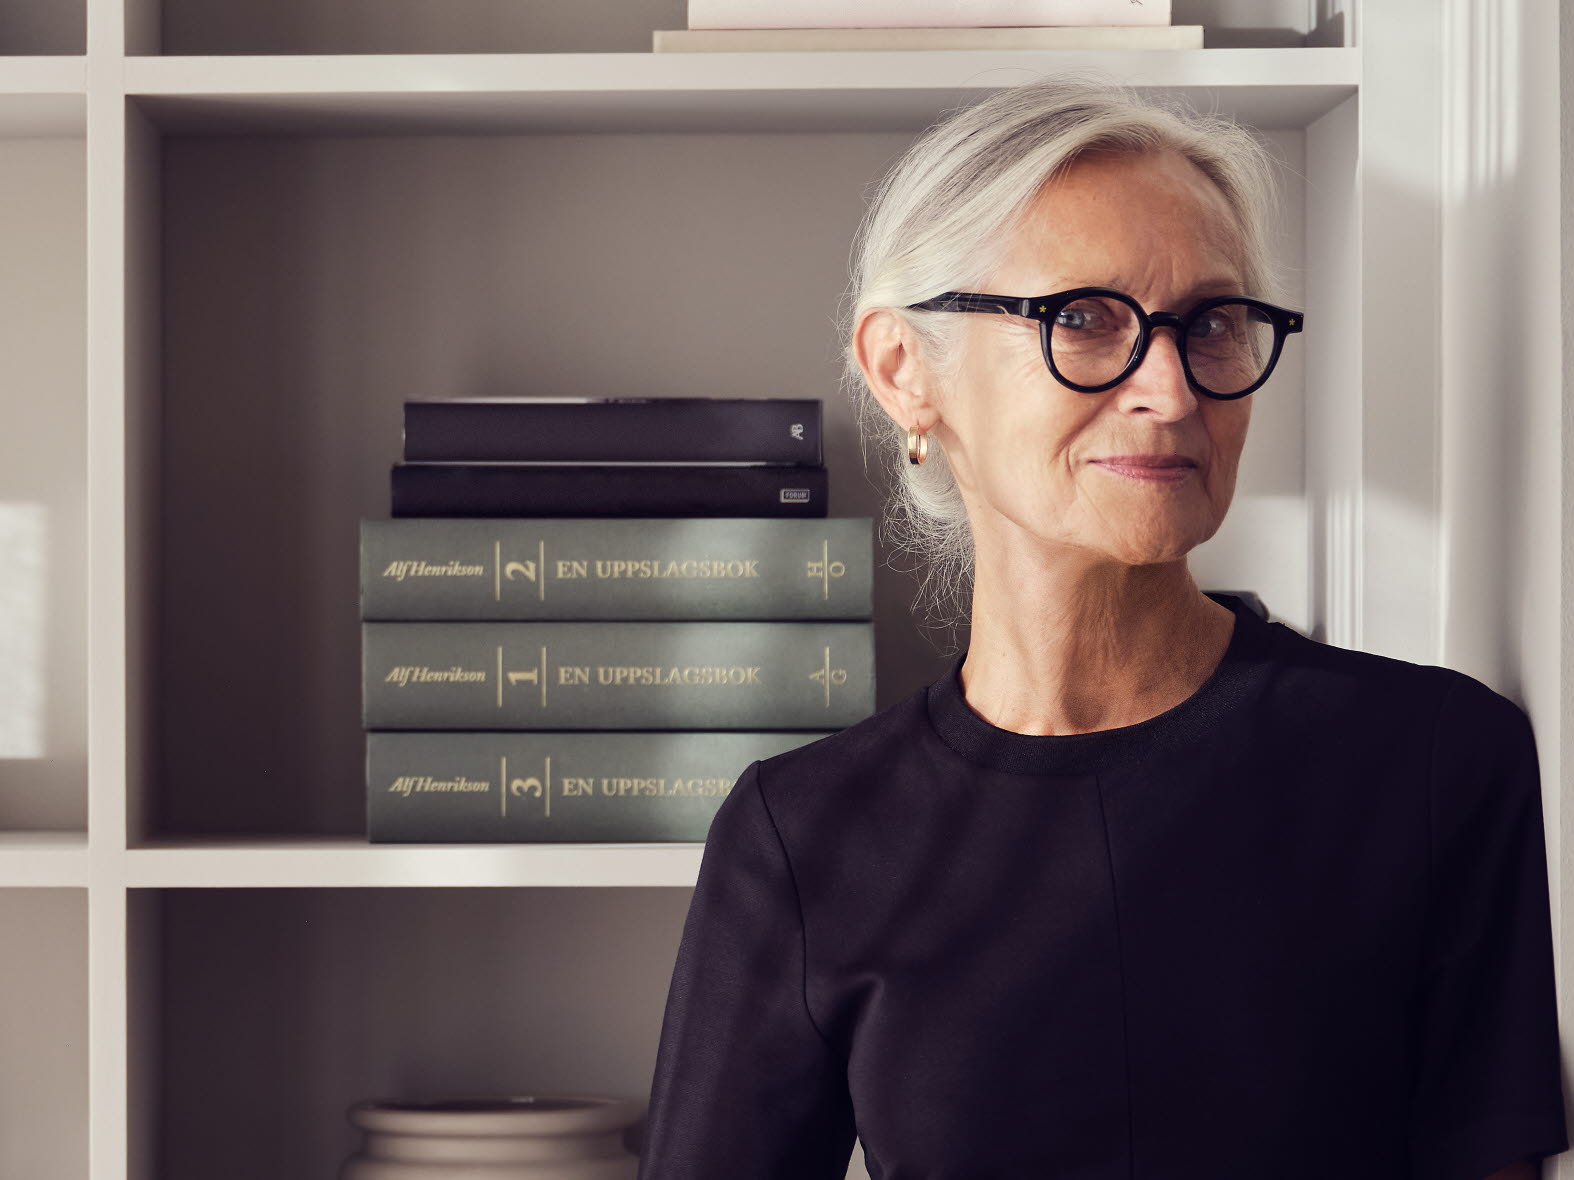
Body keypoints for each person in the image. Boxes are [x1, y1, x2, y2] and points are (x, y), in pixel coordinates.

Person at [633, 71, 1567, 1180]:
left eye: (1210, 324)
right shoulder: (800, 837)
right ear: (902, 369)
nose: (1170, 392)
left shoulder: (1434, 762)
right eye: (1082, 318)